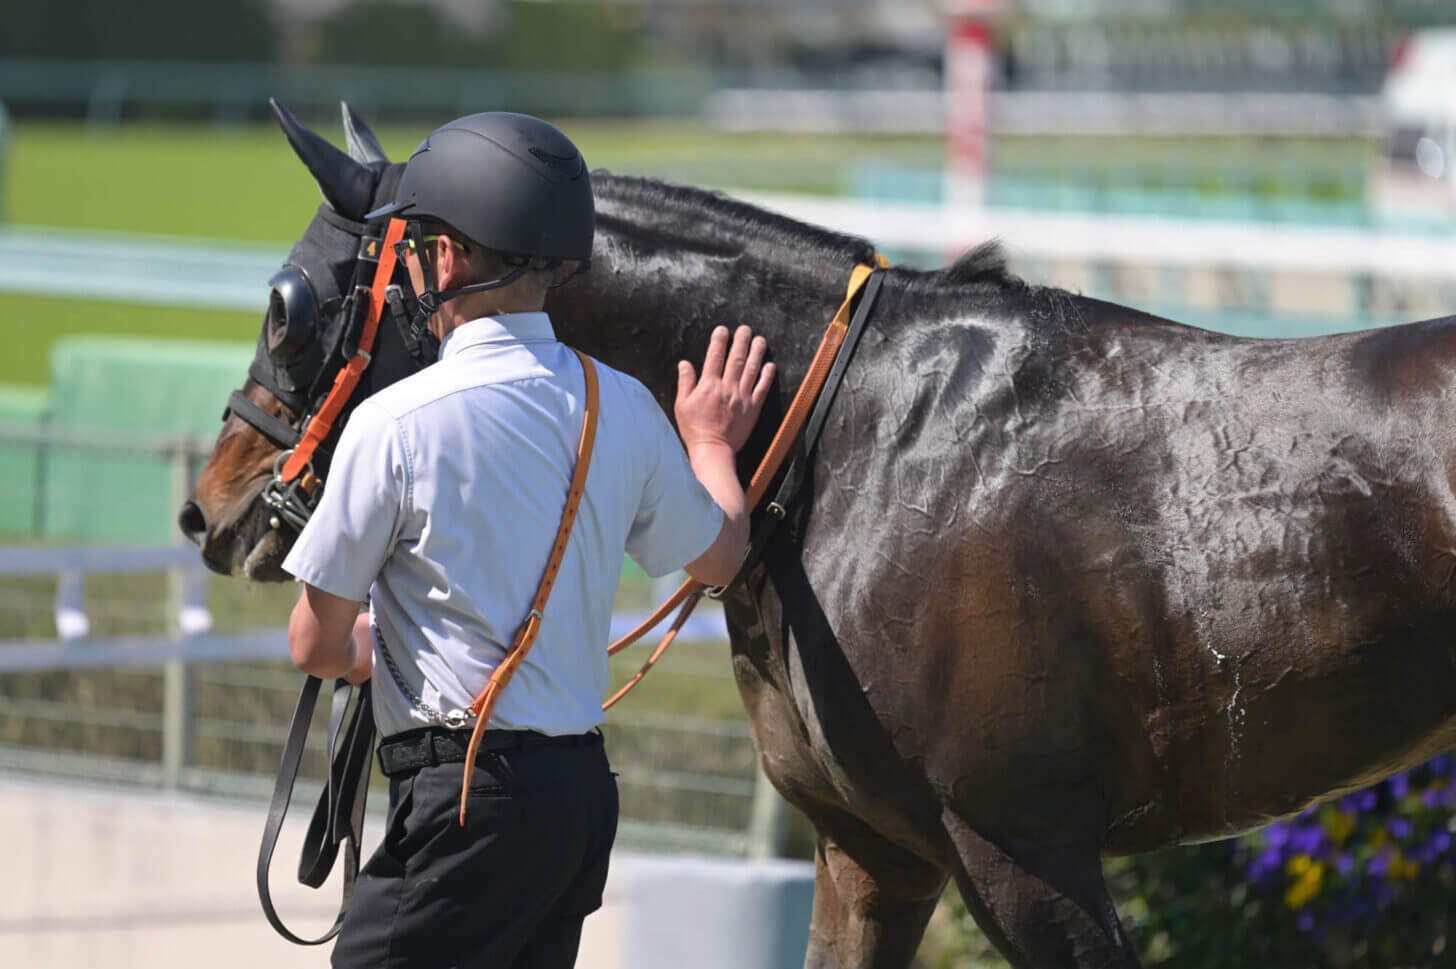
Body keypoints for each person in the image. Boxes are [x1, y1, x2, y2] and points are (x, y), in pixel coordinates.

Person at [280, 112, 773, 969]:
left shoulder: (392, 423)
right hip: (576, 803)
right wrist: (711, 445)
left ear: (447, 259)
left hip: (461, 798)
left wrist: (369, 649)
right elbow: (724, 556)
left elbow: (315, 642)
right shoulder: (621, 405)